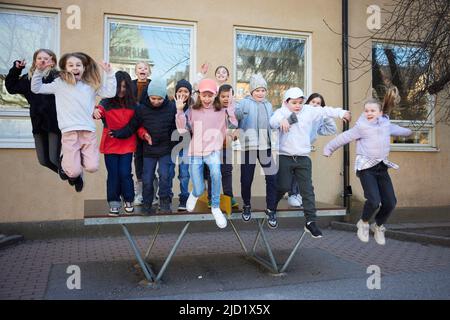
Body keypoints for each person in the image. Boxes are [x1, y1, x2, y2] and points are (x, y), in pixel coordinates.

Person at [323, 87, 412, 245]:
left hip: (382, 167)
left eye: (372, 110)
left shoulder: (385, 124)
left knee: (391, 202)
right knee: (373, 201)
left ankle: (377, 225)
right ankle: (363, 223)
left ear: (379, 112)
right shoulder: (361, 127)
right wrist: (329, 148)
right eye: (366, 111)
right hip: (366, 169)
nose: (369, 113)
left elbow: (397, 130)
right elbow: (344, 137)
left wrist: (409, 132)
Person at [270, 87, 351, 236]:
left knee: (307, 190)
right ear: (286, 102)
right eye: (294, 102)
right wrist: (282, 120)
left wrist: (342, 113)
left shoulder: (308, 110)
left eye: (300, 102)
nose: (297, 105)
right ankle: (272, 207)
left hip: (303, 157)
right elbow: (272, 122)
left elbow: (326, 110)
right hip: (285, 156)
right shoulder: (281, 112)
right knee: (283, 186)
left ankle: (310, 222)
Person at [31, 52, 116, 192]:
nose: (75, 68)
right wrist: (39, 71)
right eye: (71, 65)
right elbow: (36, 88)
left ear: (84, 68)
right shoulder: (59, 84)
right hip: (69, 132)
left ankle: (74, 158)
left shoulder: (90, 85)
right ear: (65, 68)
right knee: (74, 172)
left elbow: (110, 93)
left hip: (88, 132)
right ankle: (68, 163)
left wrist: (109, 73)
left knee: (92, 167)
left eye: (78, 65)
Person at [175, 78, 237, 229]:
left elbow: (233, 125)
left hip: (213, 151)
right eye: (204, 95)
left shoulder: (221, 110)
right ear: (199, 95)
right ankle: (195, 194)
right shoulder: (192, 110)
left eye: (210, 95)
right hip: (195, 151)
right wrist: (179, 110)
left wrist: (230, 109)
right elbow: (182, 130)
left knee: (216, 173)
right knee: (199, 187)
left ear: (215, 95)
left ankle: (215, 207)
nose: (207, 99)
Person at [110, 79, 176, 214]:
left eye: (159, 99)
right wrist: (118, 133)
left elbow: (176, 129)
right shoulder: (141, 109)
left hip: (165, 150)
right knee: (146, 179)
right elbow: (132, 126)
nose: (156, 101)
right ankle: (147, 203)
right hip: (148, 151)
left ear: (164, 97)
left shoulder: (171, 108)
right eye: (153, 98)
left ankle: (164, 202)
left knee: (165, 175)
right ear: (148, 96)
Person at [5, 49, 62, 176]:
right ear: (35, 61)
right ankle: (68, 174)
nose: (42, 60)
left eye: (46, 58)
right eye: (39, 58)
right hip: (37, 122)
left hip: (54, 123)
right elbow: (11, 87)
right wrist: (16, 69)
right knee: (43, 161)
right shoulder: (28, 78)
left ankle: (74, 174)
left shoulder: (58, 77)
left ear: (52, 61)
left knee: (54, 158)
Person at [235, 74, 278, 227]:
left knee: (272, 178)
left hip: (265, 147)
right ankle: (247, 205)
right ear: (252, 91)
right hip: (249, 147)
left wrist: (289, 120)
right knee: (246, 179)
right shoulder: (244, 103)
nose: (260, 93)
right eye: (257, 90)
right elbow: (235, 117)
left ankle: (271, 209)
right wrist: (233, 108)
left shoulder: (268, 105)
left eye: (263, 90)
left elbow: (273, 123)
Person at [94, 71, 137, 216]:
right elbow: (97, 110)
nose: (121, 90)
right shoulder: (106, 102)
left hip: (127, 144)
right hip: (110, 144)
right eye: (119, 87)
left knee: (125, 173)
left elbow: (137, 124)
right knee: (113, 174)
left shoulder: (133, 104)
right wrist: (96, 112)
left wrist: (144, 134)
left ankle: (129, 199)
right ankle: (114, 202)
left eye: (125, 87)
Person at [287, 93, 337, 207]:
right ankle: (293, 194)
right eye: (313, 102)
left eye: (318, 104)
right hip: (292, 147)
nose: (315, 105)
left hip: (305, 149)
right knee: (294, 173)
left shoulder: (318, 119)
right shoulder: (300, 114)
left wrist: (325, 116)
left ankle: (299, 195)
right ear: (307, 103)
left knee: (304, 175)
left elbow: (331, 130)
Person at [206, 84, 239, 209]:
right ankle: (211, 197)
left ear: (233, 97)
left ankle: (229, 196)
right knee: (212, 172)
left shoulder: (234, 111)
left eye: (228, 96)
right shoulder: (213, 109)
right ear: (218, 97)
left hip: (226, 147)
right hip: (213, 147)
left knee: (227, 172)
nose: (226, 99)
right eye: (223, 96)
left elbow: (234, 125)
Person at [130, 61, 156, 206]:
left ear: (149, 72)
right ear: (135, 71)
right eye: (139, 68)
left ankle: (153, 192)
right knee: (138, 157)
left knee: (152, 157)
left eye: (145, 68)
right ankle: (139, 192)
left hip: (150, 125)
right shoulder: (130, 85)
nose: (143, 70)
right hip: (135, 127)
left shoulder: (153, 85)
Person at [168, 79, 194, 211]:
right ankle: (167, 197)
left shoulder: (192, 107)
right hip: (171, 143)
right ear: (175, 92)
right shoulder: (170, 105)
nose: (182, 93)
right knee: (169, 171)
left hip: (186, 143)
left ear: (190, 93)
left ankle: (184, 198)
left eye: (186, 91)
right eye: (180, 91)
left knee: (184, 173)